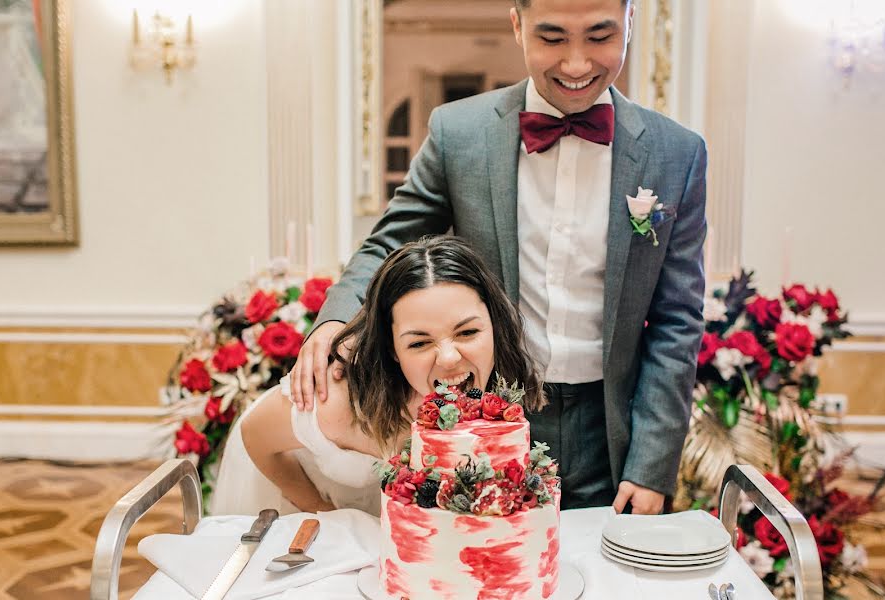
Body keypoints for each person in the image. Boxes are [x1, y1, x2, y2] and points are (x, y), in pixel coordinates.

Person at [290, 0, 706, 514]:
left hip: (611, 424)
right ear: (517, 25)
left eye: (599, 37)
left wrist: (652, 464)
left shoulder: (677, 153)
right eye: (552, 39)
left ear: (629, 24)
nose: (576, 64)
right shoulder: (459, 133)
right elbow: (387, 243)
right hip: (485, 409)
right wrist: (334, 321)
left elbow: (676, 321)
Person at [210, 236, 543, 516]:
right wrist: (321, 513)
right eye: (420, 342)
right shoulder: (341, 400)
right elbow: (254, 435)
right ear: (392, 349)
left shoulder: (496, 389)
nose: (450, 358)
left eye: (467, 332)